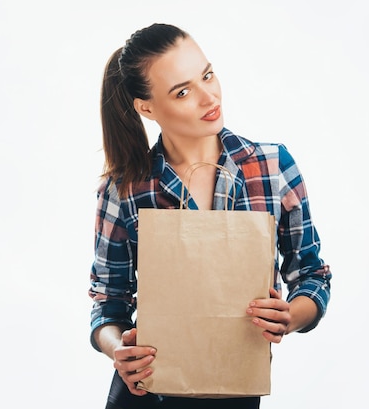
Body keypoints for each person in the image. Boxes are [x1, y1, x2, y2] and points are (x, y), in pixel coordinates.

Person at [89, 23, 331, 409]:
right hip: (148, 393)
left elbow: (312, 275)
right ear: (146, 108)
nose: (209, 97)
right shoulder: (124, 190)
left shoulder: (271, 168)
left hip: (236, 389)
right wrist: (117, 348)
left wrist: (291, 316)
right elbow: (108, 302)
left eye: (207, 75)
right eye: (183, 91)